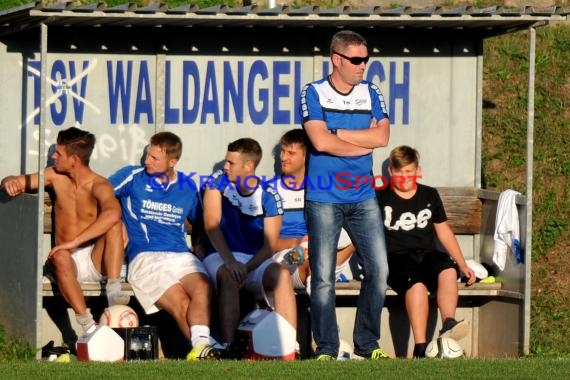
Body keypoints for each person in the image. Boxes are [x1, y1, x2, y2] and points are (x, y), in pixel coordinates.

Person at [299, 30, 391, 360]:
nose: (362, 65)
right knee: (323, 277)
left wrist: (339, 133)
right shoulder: (312, 92)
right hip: (324, 197)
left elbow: (382, 138)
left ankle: (367, 343)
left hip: (363, 196)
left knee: (379, 270)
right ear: (336, 59)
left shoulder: (371, 91)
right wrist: (357, 142)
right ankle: (326, 347)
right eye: (356, 59)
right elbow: (319, 143)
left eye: (366, 59)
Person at [0, 127, 129, 338]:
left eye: (58, 153)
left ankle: (114, 293)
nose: (53, 156)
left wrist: (74, 242)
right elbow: (17, 180)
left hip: (94, 259)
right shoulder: (54, 176)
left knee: (114, 224)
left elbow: (113, 214)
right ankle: (88, 328)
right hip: (65, 260)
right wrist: (9, 182)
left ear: (74, 159)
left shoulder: (99, 184)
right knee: (59, 256)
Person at [108, 131, 220, 360]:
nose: (147, 160)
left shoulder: (187, 186)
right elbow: (100, 193)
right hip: (146, 257)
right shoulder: (132, 176)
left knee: (203, 286)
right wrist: (116, 219)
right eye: (148, 154)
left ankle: (202, 348)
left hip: (180, 254)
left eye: (154, 158)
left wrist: (198, 243)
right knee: (181, 300)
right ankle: (209, 350)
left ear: (173, 161)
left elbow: (201, 221)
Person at [376, 145, 476, 358]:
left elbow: (444, 232)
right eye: (400, 172)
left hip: (427, 254)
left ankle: (448, 322)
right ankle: (420, 347)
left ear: (417, 171)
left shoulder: (429, 194)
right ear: (391, 172)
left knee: (448, 269)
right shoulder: (380, 198)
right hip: (398, 258)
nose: (405, 177)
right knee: (417, 285)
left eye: (409, 172)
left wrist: (462, 263)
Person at [202, 138, 296, 353]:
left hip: (253, 260)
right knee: (228, 275)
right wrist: (231, 261)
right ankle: (230, 347)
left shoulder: (269, 195)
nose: (225, 167)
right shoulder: (218, 181)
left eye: (231, 163)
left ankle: (288, 347)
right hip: (220, 254)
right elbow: (211, 225)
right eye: (226, 161)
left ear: (249, 166)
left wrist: (247, 267)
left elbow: (269, 245)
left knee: (281, 275)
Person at [272, 129, 355, 292]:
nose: (283, 158)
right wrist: (299, 241)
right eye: (282, 152)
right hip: (287, 260)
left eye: (290, 153)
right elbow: (268, 244)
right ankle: (318, 279)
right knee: (307, 255)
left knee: (359, 233)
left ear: (307, 156)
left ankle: (318, 275)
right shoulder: (270, 191)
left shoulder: (323, 190)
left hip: (319, 254)